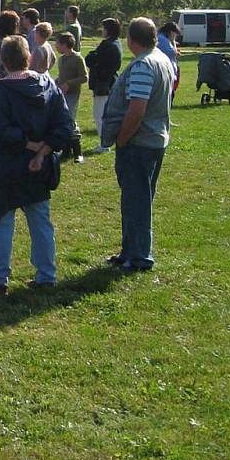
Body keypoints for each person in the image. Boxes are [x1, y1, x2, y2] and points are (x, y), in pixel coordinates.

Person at [0, 36, 72, 294]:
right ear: (29, 58)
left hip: (6, 167)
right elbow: (64, 125)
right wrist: (42, 151)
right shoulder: (48, 85)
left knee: (3, 222)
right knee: (40, 221)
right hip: (37, 166)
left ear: (4, 62)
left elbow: (1, 131)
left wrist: (34, 149)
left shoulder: (1, 92)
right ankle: (46, 274)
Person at [101, 17, 174, 273]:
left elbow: (136, 109)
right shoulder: (162, 58)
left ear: (131, 40)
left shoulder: (143, 65)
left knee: (137, 200)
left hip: (139, 141)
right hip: (155, 138)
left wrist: (122, 138)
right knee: (136, 199)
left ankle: (140, 257)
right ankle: (129, 251)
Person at [85, 17, 123, 154]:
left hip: (103, 83)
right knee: (102, 113)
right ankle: (105, 142)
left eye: (103, 28)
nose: (102, 30)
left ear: (108, 30)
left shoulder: (108, 45)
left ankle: (104, 144)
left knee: (99, 114)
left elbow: (90, 59)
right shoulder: (116, 43)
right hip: (110, 81)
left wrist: (93, 58)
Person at [54, 32, 88, 163]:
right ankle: (66, 149)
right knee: (63, 120)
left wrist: (69, 83)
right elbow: (62, 76)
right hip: (61, 95)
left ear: (64, 45)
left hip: (72, 94)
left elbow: (84, 77)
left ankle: (78, 152)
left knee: (70, 119)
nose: (56, 46)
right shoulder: (61, 59)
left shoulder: (77, 58)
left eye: (57, 43)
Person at [156, 21, 180, 102]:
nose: (175, 36)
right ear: (171, 32)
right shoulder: (162, 39)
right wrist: (175, 51)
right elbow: (169, 52)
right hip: (166, 70)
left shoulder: (166, 39)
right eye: (175, 34)